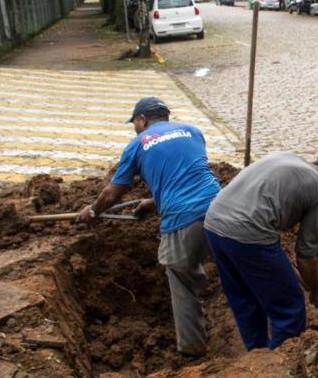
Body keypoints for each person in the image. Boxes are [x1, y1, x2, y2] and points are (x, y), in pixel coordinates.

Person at [77, 96, 221, 357]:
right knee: (230, 267)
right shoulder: (193, 131)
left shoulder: (137, 144)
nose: (134, 127)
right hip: (223, 208)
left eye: (134, 122)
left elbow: (112, 194)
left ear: (142, 119)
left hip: (182, 218)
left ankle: (192, 348)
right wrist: (154, 202)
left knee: (180, 274)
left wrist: (93, 210)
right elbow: (186, 175)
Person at [203, 151, 318, 351]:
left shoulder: (288, 158)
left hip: (214, 224)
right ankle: (283, 363)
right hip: (249, 234)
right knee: (289, 307)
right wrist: (316, 291)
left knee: (244, 298)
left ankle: (257, 355)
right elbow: (306, 254)